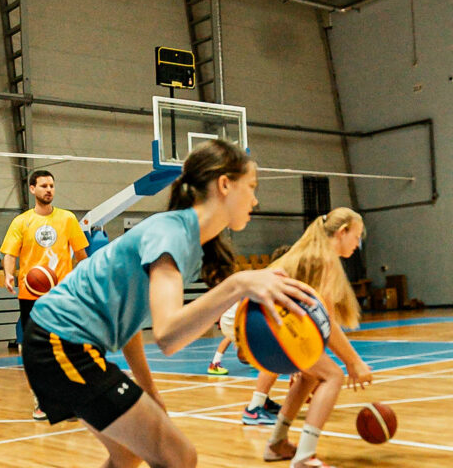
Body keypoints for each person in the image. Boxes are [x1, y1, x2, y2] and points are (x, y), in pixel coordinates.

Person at [21, 139, 313, 468]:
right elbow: (168, 336)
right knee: (179, 456)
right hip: (60, 341)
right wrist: (239, 284)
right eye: (252, 187)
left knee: (127, 455)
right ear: (225, 184)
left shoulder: (184, 239)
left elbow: (127, 318)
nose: (256, 199)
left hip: (58, 341)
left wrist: (149, 390)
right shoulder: (172, 235)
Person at [263, 208, 373, 468]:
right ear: (342, 231)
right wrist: (353, 362)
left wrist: (341, 359)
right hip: (262, 324)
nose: (357, 246)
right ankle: (303, 458)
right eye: (356, 237)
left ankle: (276, 444)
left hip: (262, 324)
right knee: (332, 375)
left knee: (311, 374)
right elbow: (329, 325)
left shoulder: (313, 254)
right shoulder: (323, 259)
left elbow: (322, 325)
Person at [0, 169, 89, 419]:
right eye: (43, 186)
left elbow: (82, 256)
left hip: (62, 295)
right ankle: (42, 399)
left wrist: (79, 278)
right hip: (31, 295)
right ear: (32, 189)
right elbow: (10, 254)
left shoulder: (68, 219)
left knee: (66, 347)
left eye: (51, 185)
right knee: (37, 351)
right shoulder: (21, 222)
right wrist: (8, 274)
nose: (48, 190)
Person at [207, 245, 293, 426]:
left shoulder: (271, 276)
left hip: (238, 320)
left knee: (271, 356)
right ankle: (254, 409)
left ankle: (263, 400)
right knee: (275, 353)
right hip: (235, 320)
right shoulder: (275, 278)